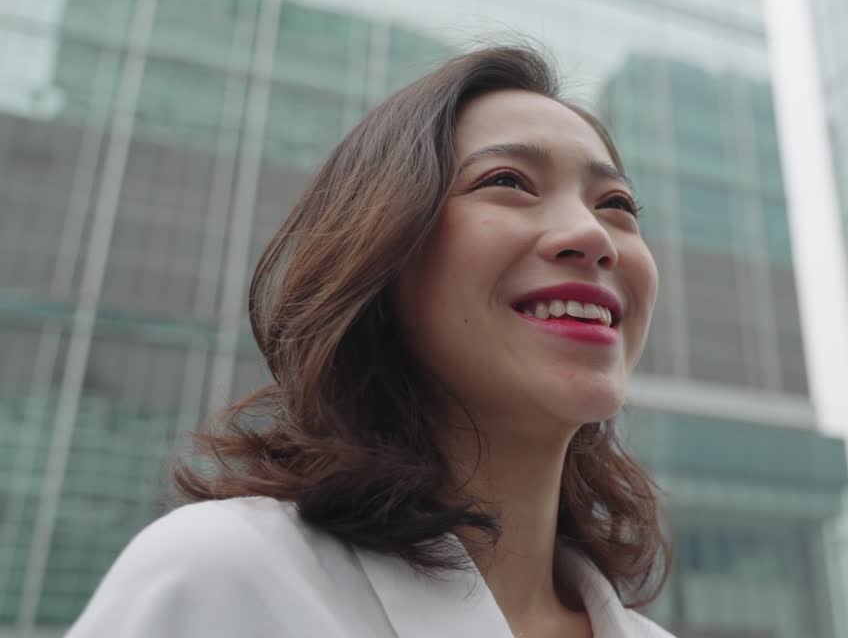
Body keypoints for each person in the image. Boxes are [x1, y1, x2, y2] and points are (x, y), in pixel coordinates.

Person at [67, 46, 674, 638]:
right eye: (509, 181)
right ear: (383, 256)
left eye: (616, 203)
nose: (592, 235)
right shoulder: (221, 576)